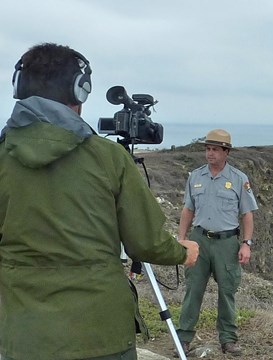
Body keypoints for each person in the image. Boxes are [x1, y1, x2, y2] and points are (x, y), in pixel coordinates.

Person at [0, 43, 199, 360]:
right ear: (79, 92)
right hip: (100, 336)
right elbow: (145, 243)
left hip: (22, 337)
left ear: (18, 87)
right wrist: (183, 252)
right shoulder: (109, 158)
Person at [176, 129, 258, 356]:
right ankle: (183, 338)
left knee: (227, 291)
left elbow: (247, 215)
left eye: (215, 150)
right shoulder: (195, 177)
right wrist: (181, 239)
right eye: (207, 149)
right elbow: (188, 209)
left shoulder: (238, 179)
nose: (210, 154)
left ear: (226, 152)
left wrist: (246, 243)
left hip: (226, 243)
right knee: (193, 290)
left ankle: (228, 340)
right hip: (200, 240)